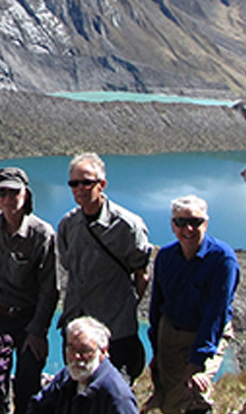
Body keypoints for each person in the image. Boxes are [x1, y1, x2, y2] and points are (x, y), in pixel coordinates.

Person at [0, 167, 58, 414]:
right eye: (1, 193)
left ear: (25, 195)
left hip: (29, 319)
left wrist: (38, 331)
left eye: (13, 192)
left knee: (28, 383)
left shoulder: (42, 234)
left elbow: (50, 289)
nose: (7, 199)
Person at [55, 153, 152, 381]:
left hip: (115, 331)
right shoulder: (68, 225)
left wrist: (123, 306)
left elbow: (142, 274)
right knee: (78, 388)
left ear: (102, 185)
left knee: (113, 391)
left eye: (87, 182)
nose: (80, 188)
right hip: (76, 328)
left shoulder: (127, 226)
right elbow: (70, 269)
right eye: (74, 183)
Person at [146, 196, 239, 414]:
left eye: (195, 222)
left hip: (206, 334)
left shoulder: (222, 259)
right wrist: (156, 348)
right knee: (168, 395)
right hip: (171, 333)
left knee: (193, 392)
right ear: (172, 225)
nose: (188, 228)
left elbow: (216, 313)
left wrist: (198, 360)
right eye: (180, 222)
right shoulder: (166, 256)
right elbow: (157, 304)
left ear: (205, 224)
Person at [26, 317, 139, 414]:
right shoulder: (66, 377)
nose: (76, 356)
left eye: (84, 350)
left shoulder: (117, 396)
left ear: (103, 351)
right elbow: (38, 407)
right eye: (72, 348)